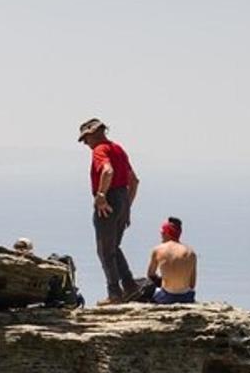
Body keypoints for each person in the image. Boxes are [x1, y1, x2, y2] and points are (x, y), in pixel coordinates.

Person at [78, 118, 139, 305]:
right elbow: (134, 181)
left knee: (104, 250)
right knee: (114, 247)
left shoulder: (100, 150)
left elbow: (108, 171)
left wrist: (101, 195)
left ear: (93, 134)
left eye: (86, 139)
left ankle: (114, 294)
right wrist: (127, 207)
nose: (86, 144)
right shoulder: (118, 149)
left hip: (110, 201)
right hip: (122, 199)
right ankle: (130, 287)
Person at [146, 217, 197, 304]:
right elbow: (192, 284)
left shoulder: (158, 249)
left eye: (163, 232)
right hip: (186, 297)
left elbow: (150, 275)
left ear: (168, 233)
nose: (161, 234)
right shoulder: (191, 252)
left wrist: (163, 280)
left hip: (166, 296)